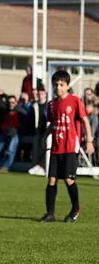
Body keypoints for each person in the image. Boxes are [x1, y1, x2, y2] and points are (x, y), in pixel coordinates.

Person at [40, 70, 94, 223]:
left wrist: (89, 139)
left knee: (68, 180)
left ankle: (75, 208)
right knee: (51, 179)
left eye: (61, 85)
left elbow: (84, 121)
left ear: (68, 85)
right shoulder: (51, 104)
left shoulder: (75, 101)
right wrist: (45, 137)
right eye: (56, 84)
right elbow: (53, 124)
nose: (58, 87)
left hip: (70, 146)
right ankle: (50, 213)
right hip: (56, 147)